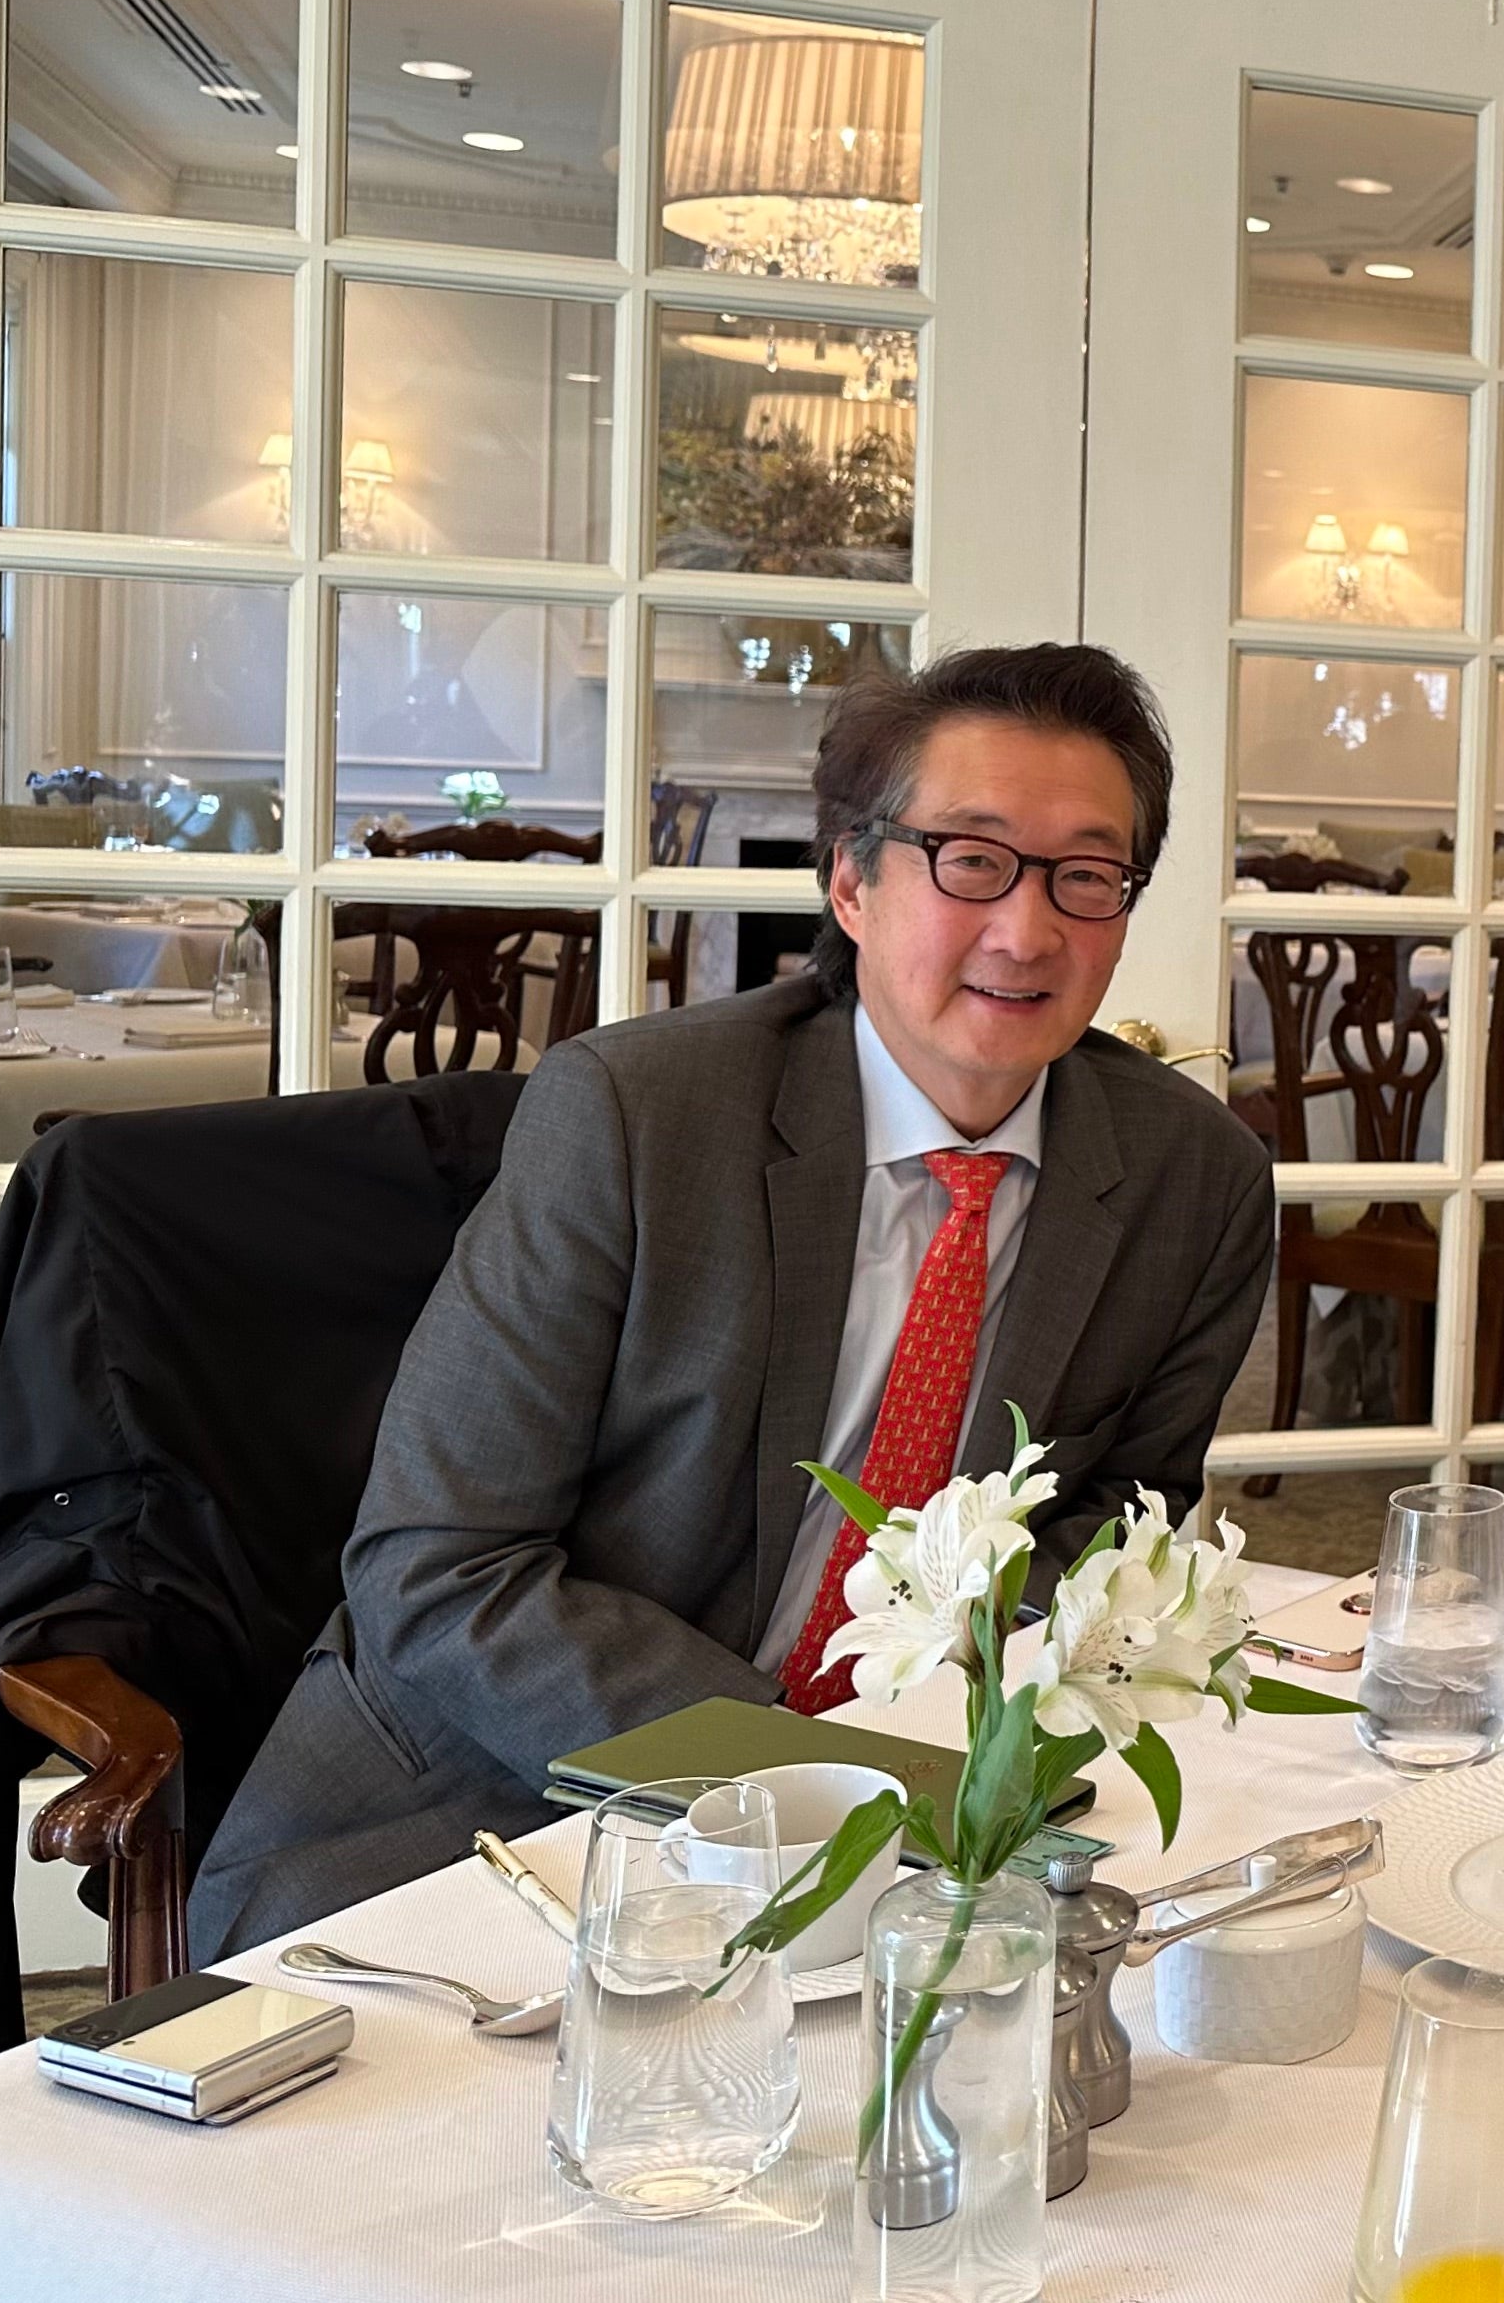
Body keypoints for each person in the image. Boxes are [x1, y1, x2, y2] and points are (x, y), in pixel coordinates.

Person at [191, 643, 1274, 1950]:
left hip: (920, 1839)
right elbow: (439, 1568)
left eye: (1087, 875)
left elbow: (1105, 1540)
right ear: (851, 882)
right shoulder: (639, 1120)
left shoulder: (1191, 1181)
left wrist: (942, 1772)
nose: (1028, 929)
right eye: (970, 859)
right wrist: (799, 1779)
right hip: (494, 1804)